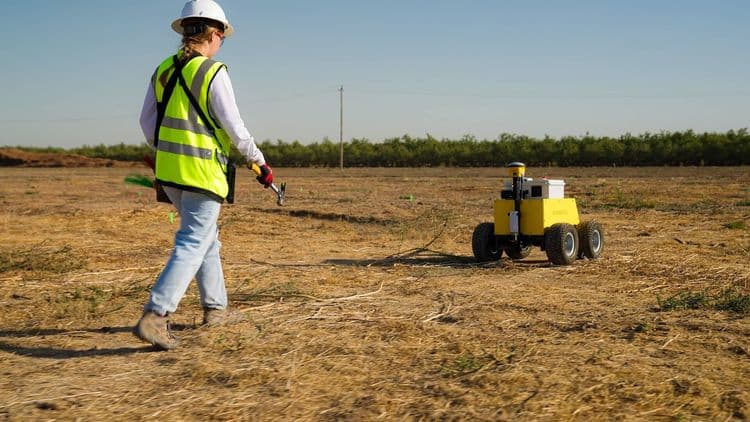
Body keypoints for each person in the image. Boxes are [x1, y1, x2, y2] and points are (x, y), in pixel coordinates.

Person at [134, 0, 273, 350]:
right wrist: (260, 161)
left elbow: (147, 124)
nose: (221, 44)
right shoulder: (213, 72)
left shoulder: (163, 69)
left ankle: (216, 309)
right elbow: (234, 126)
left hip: (169, 172)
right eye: (222, 37)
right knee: (194, 241)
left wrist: (168, 148)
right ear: (214, 34)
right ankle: (156, 314)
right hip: (201, 172)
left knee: (205, 239)